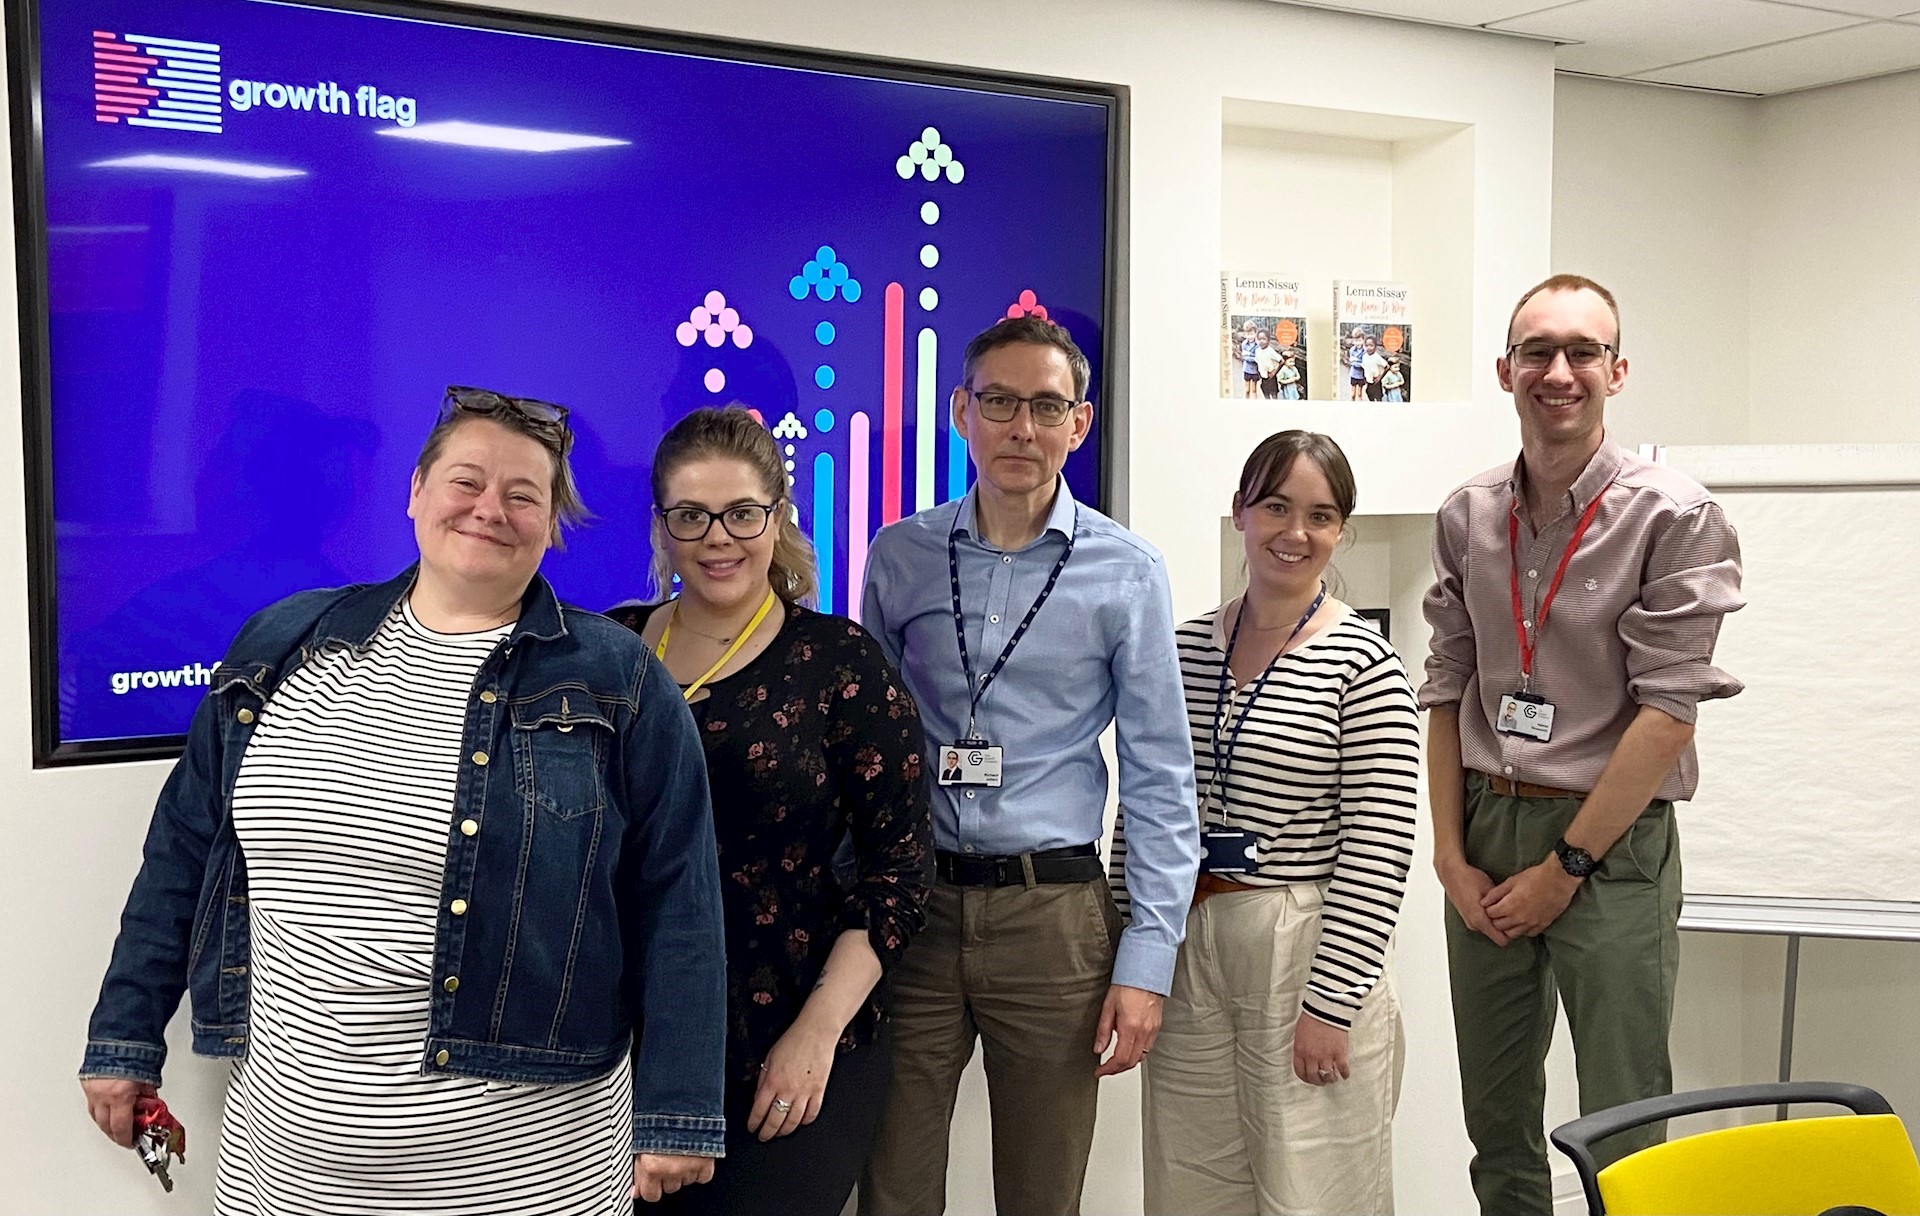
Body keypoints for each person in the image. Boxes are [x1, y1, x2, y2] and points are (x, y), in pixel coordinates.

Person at [79, 386, 729, 1214]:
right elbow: (182, 848)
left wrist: (677, 1112)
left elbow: (680, 902)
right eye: (466, 481)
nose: (490, 508)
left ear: (551, 524)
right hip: (286, 1170)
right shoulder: (282, 645)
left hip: (522, 1178)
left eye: (524, 494)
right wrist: (125, 1032)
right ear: (416, 491)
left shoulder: (618, 681)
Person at [1420, 274, 1745, 1214]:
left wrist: (1567, 864)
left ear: (1617, 370)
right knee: (1497, 1119)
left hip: (1611, 844)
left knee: (1625, 1121)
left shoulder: (1674, 515)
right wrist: (1447, 857)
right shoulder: (1467, 513)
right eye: (1537, 352)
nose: (1558, 372)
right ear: (1505, 370)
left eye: (1581, 353)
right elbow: (1444, 690)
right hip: (1484, 830)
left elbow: (1668, 714)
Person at [860, 316, 1199, 1216]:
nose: (1022, 428)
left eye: (1046, 407)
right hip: (915, 912)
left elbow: (1162, 776)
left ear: (1078, 424)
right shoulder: (900, 556)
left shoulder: (1128, 573)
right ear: (960, 411)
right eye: (1000, 403)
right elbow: (870, 754)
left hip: (1054, 917)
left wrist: (1147, 958)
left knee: (1043, 1193)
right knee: (891, 1178)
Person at [610, 406, 932, 1216]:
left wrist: (816, 1033)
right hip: (625, 1046)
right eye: (691, 516)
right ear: (662, 526)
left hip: (788, 1037)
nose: (718, 538)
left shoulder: (840, 662)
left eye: (742, 513)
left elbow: (899, 872)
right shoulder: (607, 651)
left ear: (778, 515)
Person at [1136, 430, 1417, 1216]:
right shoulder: (1184, 647)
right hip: (1190, 936)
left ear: (1341, 531)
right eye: (1276, 508)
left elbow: (1380, 843)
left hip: (1301, 941)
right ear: (1240, 514)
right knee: (1190, 1183)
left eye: (1321, 516)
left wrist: (1332, 1004)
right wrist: (1136, 953)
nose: (1296, 533)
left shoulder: (1364, 663)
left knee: (1313, 1190)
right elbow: (1150, 807)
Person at [1254, 331, 1284, 399]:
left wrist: (1274, 372)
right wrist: (1259, 374)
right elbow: (1257, 362)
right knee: (1266, 395)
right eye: (1259, 339)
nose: (1261, 341)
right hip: (1263, 378)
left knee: (1274, 395)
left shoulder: (1270, 351)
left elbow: (1282, 361)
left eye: (1264, 339)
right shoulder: (1257, 350)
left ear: (1268, 340)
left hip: (1271, 378)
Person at [1362, 336, 1389, 401]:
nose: (1368, 348)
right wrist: (1364, 378)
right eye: (1367, 345)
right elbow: (1365, 367)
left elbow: (1387, 366)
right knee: (1369, 395)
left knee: (1378, 398)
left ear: (1375, 347)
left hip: (1376, 382)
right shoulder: (1364, 356)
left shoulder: (1377, 357)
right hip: (1368, 381)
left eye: (1371, 345)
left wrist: (1379, 377)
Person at [1240, 320, 1262, 398]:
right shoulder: (1244, 344)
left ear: (1255, 333)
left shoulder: (1258, 344)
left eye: (1252, 334)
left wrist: (1249, 354)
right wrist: (1252, 357)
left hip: (1255, 370)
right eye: (1248, 334)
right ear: (1245, 334)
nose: (1250, 336)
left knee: (1254, 390)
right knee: (1247, 390)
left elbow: (1258, 358)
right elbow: (1244, 357)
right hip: (1247, 369)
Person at [1347, 328, 1368, 400]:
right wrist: (1358, 362)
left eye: (1360, 340)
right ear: (1353, 341)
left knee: (1359, 394)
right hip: (1353, 373)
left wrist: (1356, 360)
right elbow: (1352, 362)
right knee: (1353, 394)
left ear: (1363, 340)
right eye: (1356, 341)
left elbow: (1365, 362)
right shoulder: (1352, 350)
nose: (1358, 343)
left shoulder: (1365, 350)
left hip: (1361, 375)